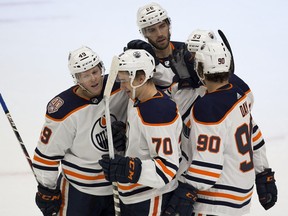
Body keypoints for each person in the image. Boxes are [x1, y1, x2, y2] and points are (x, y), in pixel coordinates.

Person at [166, 40, 277, 216]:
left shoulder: (208, 107)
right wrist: (263, 173)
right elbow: (253, 134)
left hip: (216, 201)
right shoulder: (240, 93)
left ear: (200, 70)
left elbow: (207, 166)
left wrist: (185, 191)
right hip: (241, 195)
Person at [32, 46, 128, 216]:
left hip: (117, 187)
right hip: (79, 190)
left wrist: (127, 132)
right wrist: (47, 190)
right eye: (85, 75)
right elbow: (46, 156)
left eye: (95, 71)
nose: (93, 79)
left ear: (102, 68)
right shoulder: (64, 109)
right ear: (76, 78)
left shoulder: (120, 87)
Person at [98, 49, 183, 216]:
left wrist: (128, 169)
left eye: (124, 81)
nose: (121, 87)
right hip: (136, 198)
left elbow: (166, 169)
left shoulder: (157, 111)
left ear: (141, 78)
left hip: (152, 199)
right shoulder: (138, 100)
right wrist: (126, 136)